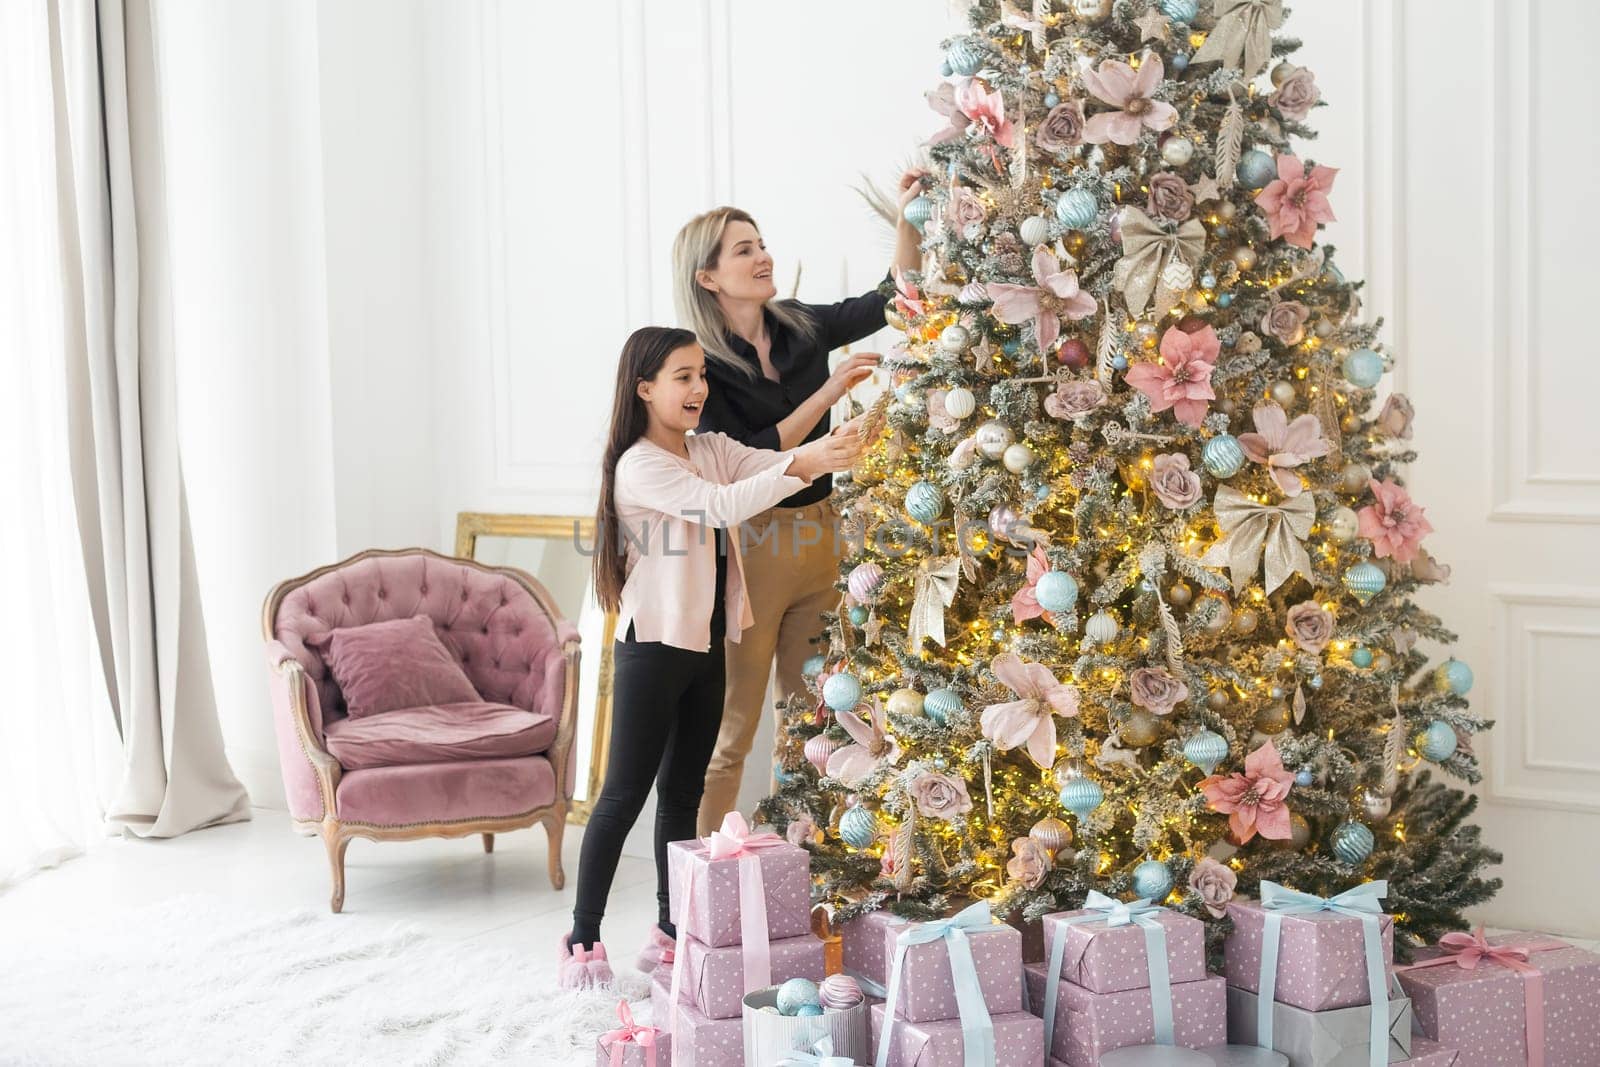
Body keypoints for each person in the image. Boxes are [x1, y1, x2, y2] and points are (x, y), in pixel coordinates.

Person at [560, 325, 863, 989]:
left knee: (682, 794)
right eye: (683, 377)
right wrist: (811, 464)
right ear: (644, 388)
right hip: (654, 648)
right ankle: (582, 936)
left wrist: (827, 443)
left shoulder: (705, 449)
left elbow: (763, 455)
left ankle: (670, 930)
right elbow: (719, 505)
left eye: (701, 375)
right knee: (622, 796)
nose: (699, 388)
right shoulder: (640, 463)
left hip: (705, 645)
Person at [672, 171, 927, 836]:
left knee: (811, 714)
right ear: (707, 278)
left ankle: (803, 860)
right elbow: (751, 454)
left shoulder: (800, 328)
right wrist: (829, 394)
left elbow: (887, 298)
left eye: (761, 244)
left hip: (820, 537)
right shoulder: (701, 365)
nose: (763, 257)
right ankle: (703, 879)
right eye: (743, 251)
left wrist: (908, 218)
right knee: (737, 722)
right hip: (755, 547)